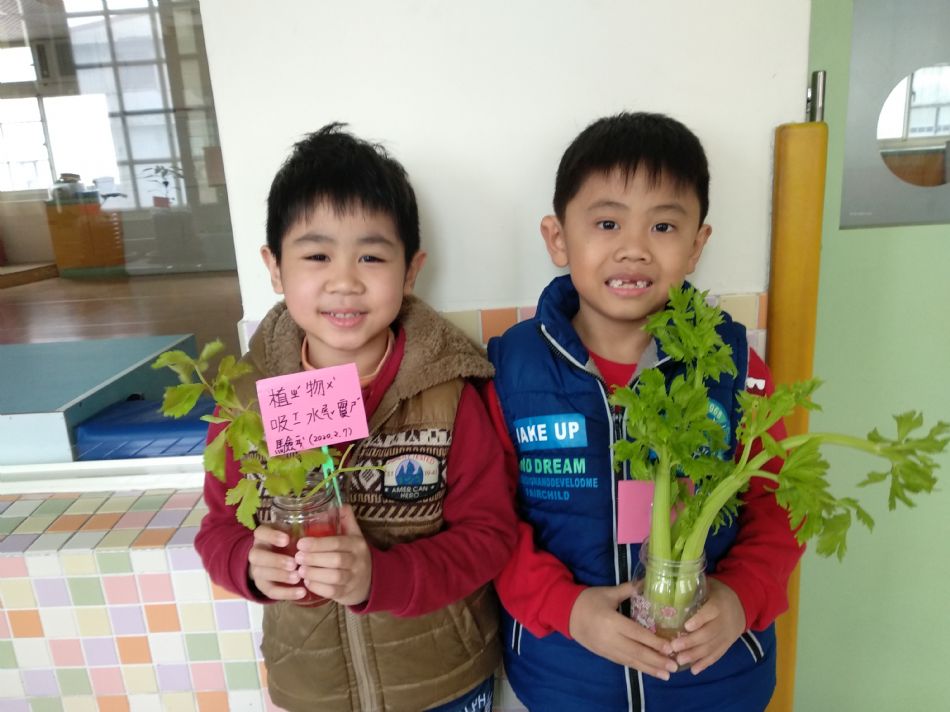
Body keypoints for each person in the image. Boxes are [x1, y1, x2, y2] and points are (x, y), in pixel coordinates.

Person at [484, 112, 804, 711]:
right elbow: (489, 521)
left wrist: (740, 598)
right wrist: (567, 609)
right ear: (558, 238)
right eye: (607, 223)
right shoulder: (511, 369)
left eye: (663, 225)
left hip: (718, 682)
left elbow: (779, 502)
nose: (633, 248)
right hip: (567, 680)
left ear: (697, 245)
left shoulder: (734, 364)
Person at [194, 123, 516, 712]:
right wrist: (248, 564)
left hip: (443, 679)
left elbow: (489, 536)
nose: (344, 280)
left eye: (371, 256)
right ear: (274, 267)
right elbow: (218, 527)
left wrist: (381, 579)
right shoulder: (246, 403)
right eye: (317, 255)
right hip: (311, 687)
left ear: (411, 270)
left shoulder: (449, 391)